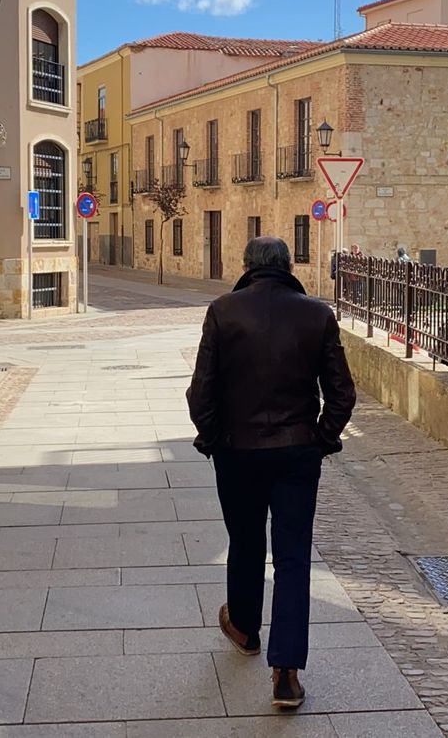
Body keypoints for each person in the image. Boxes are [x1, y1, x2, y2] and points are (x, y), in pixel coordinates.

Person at [186, 236, 357, 709]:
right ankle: (286, 671)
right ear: (286, 266)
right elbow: (342, 393)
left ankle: (243, 629)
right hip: (297, 452)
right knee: (293, 558)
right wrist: (322, 438)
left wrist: (215, 437)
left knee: (244, 541)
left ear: (247, 266)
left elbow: (201, 394)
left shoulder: (223, 311)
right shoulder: (317, 314)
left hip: (237, 452)